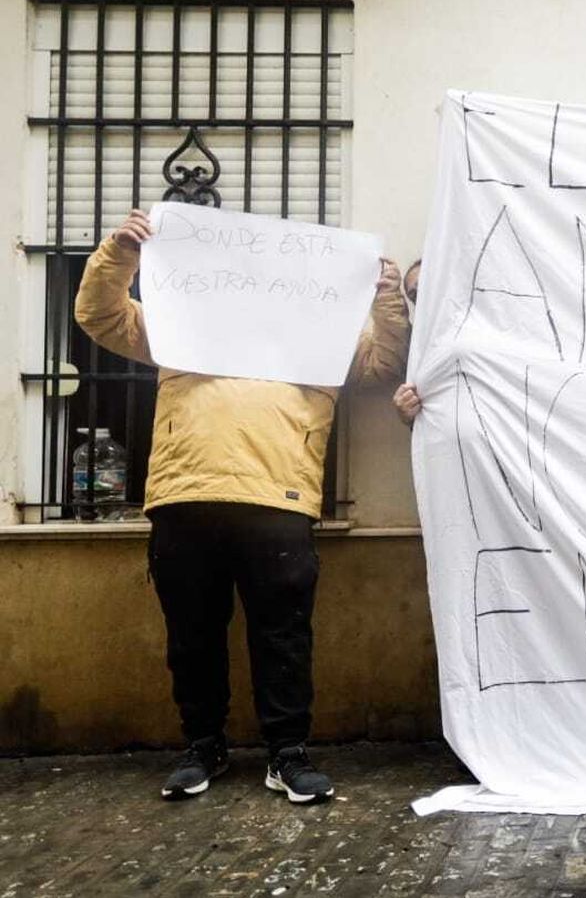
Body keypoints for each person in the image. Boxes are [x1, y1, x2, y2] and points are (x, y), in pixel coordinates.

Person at [74, 207, 410, 803]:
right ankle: (202, 746)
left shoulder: (324, 339)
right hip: (185, 495)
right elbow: (100, 315)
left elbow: (385, 363)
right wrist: (120, 251)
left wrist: (385, 296)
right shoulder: (185, 322)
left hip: (279, 500)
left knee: (283, 635)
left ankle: (288, 755)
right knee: (192, 635)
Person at [393, 258, 424, 427]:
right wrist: (406, 412)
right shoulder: (418, 350)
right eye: (414, 295)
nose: (422, 296)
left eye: (426, 284)